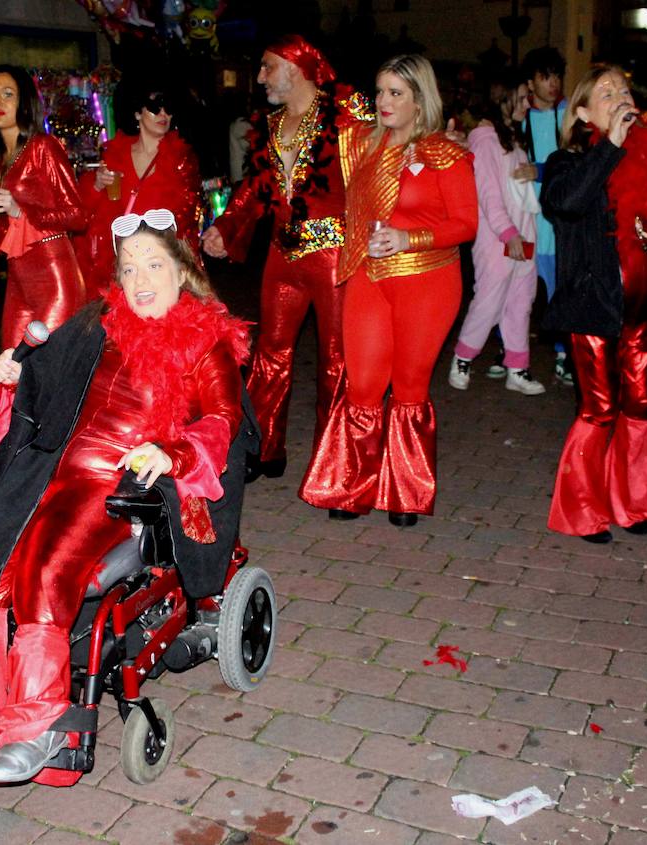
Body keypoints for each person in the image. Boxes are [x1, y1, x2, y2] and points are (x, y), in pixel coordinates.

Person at [0, 211, 251, 786]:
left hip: (118, 483)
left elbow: (224, 422)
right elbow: (42, 378)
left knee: (45, 567)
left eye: (154, 264)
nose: (140, 279)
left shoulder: (205, 343)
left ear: (183, 271)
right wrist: (11, 373)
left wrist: (170, 455)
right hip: (51, 467)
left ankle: (41, 724)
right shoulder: (96, 324)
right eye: (129, 269)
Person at [299, 55, 477, 526]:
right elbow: (317, 111)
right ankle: (351, 486)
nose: (383, 102)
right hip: (368, 275)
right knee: (362, 384)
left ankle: (405, 492)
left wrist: (408, 238)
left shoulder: (446, 154)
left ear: (421, 100)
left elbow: (466, 224)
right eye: (379, 91)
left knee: (410, 388)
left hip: (428, 281)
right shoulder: (359, 144)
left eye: (396, 93)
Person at [541, 65, 647, 543]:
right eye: (604, 93)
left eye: (623, 90)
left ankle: (633, 503)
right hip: (594, 308)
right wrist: (609, 146)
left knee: (642, 406)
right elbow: (567, 202)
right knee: (600, 408)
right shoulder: (567, 161)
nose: (618, 97)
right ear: (584, 111)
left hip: (646, 312)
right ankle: (583, 510)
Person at [201, 35, 370, 482]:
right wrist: (224, 226)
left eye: (266, 67)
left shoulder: (348, 114)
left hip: (334, 255)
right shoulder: (271, 126)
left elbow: (385, 159)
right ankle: (264, 447)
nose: (259, 77)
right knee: (270, 354)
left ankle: (336, 461)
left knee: (338, 361)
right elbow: (255, 190)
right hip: (281, 256)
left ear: (295, 69)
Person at [0, 64, 89, 348]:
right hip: (18, 281)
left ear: (24, 102)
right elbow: (0, 240)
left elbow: (78, 215)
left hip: (54, 280)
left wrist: (19, 210)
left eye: (7, 94)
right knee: (12, 371)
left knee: (51, 373)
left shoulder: (43, 147)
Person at [449, 74, 544, 396]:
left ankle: (518, 368)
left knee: (521, 299)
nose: (525, 104)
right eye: (519, 98)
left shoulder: (512, 137)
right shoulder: (485, 137)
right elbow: (488, 193)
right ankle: (463, 357)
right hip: (497, 237)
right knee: (489, 299)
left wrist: (523, 233)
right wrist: (508, 233)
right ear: (500, 99)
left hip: (524, 232)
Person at [75, 83, 202, 288]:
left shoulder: (182, 158)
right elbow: (84, 212)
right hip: (122, 258)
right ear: (136, 113)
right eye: (155, 107)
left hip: (160, 256)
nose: (164, 114)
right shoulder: (115, 155)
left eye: (168, 108)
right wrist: (97, 185)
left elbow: (187, 215)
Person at [519, 46, 573, 386]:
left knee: (560, 286)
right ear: (531, 82)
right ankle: (512, 350)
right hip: (528, 217)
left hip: (560, 217)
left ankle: (563, 352)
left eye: (556, 76)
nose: (552, 83)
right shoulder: (519, 119)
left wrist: (538, 170)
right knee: (523, 287)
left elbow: (573, 161)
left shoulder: (568, 114)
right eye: (544, 76)